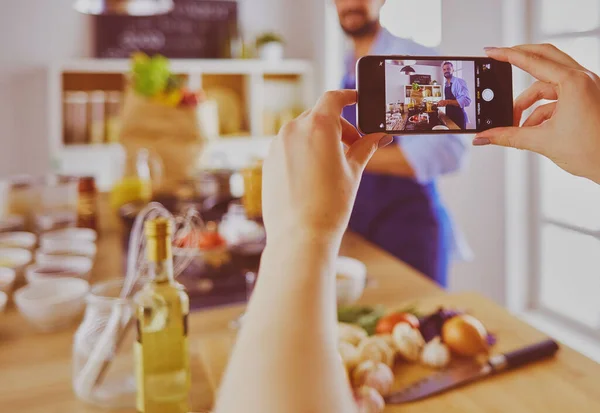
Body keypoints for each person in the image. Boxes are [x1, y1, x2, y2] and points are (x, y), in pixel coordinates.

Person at [213, 43, 600, 413]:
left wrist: (302, 230)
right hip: (362, 216)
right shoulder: (352, 62)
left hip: (409, 222)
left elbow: (444, 147)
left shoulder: (417, 60)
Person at [335, 0, 470, 287]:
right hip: (359, 227)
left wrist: (340, 159)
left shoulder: (413, 59)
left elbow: (447, 150)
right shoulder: (345, 64)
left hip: (409, 229)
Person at [437, 61, 472, 129]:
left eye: (448, 69)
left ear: (453, 70)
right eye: (444, 69)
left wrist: (447, 102)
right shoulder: (446, 84)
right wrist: (443, 103)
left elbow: (466, 100)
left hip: (458, 118)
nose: (446, 71)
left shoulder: (458, 82)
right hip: (449, 116)